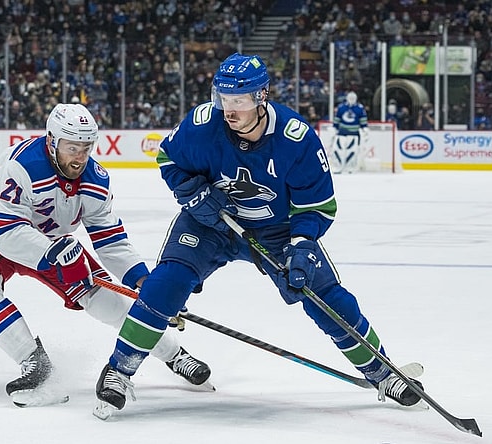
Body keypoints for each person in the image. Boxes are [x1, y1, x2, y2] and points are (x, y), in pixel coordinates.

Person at [94, 53, 423, 416]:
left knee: (325, 297)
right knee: (165, 284)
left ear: (261, 96)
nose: (229, 110)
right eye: (223, 99)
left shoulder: (295, 138)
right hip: (210, 224)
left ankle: (382, 372)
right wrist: (193, 193)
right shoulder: (204, 124)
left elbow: (317, 206)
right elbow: (169, 159)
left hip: (278, 232)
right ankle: (118, 370)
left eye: (239, 101)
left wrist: (301, 246)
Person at [0, 103, 212, 407]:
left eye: (86, 147)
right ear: (52, 141)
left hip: (53, 243)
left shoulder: (95, 180)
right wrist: (55, 253)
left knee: (106, 303)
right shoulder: (22, 165)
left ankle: (174, 354)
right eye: (72, 147)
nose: (79, 156)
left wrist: (147, 283)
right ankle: (35, 364)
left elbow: (111, 240)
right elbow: (7, 233)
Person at [331, 91, 370, 173]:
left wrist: (364, 128)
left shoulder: (360, 108)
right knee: (338, 150)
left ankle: (350, 167)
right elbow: (337, 119)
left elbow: (363, 119)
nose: (351, 99)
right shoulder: (341, 107)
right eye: (350, 98)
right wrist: (335, 128)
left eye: (353, 98)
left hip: (354, 133)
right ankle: (338, 166)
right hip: (342, 132)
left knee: (352, 151)